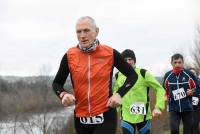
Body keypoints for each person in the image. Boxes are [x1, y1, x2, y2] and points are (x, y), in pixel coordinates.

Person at [52, 16, 138, 134]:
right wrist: (63, 95)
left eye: (86, 30)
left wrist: (119, 94)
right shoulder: (69, 55)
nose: (82, 35)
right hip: (80, 119)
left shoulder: (110, 53)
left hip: (106, 116)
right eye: (79, 31)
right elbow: (57, 83)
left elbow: (133, 76)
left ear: (96, 31)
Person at [113, 49, 165, 134]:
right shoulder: (118, 75)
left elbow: (159, 89)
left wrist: (158, 107)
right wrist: (117, 108)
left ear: (134, 61)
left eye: (130, 59)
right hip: (126, 115)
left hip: (143, 116)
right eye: (125, 60)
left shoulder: (143, 73)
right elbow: (115, 92)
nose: (128, 62)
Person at [163, 53, 199, 134]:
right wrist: (166, 96)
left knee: (188, 131)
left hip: (187, 108)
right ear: (171, 63)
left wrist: (192, 92)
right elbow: (164, 90)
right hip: (174, 108)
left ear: (183, 63)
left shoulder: (189, 74)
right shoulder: (168, 76)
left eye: (179, 62)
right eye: (175, 62)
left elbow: (198, 88)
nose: (177, 65)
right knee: (174, 129)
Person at [188, 68, 200, 134]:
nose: (192, 75)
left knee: (195, 123)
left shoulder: (198, 81)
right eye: (191, 73)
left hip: (197, 106)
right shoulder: (185, 82)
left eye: (194, 73)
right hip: (188, 106)